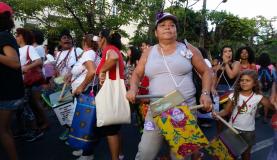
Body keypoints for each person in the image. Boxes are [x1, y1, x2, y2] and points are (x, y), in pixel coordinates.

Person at [126, 12, 212, 160]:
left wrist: (205, 93)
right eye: (163, 25)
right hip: (157, 107)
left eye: (172, 25)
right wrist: (133, 88)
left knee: (180, 155)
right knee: (145, 152)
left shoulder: (188, 48)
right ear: (156, 31)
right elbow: (137, 74)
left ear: (176, 31)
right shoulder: (148, 52)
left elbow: (206, 71)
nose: (168, 28)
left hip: (185, 107)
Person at [213, 70, 276, 160]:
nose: (244, 82)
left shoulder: (258, 97)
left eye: (247, 80)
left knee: (246, 155)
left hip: (248, 132)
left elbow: (272, 107)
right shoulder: (233, 95)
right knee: (229, 154)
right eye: (242, 80)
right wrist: (217, 114)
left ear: (254, 83)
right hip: (232, 129)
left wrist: (274, 97)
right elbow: (226, 111)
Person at [96, 29, 126, 160]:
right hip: (116, 93)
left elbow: (113, 58)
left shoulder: (108, 49)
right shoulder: (115, 49)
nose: (97, 41)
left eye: (98, 37)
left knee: (111, 131)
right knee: (115, 129)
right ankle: (119, 155)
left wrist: (102, 70)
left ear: (103, 39)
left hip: (110, 95)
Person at [0, 2, 25, 160]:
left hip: (7, 94)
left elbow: (15, 62)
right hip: (8, 92)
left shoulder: (3, 36)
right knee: (5, 129)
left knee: (2, 130)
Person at [71, 34, 101, 160]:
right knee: (84, 122)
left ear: (85, 43)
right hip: (88, 91)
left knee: (85, 122)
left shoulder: (88, 54)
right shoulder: (94, 54)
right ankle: (84, 149)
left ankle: (87, 153)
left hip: (85, 92)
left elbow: (92, 71)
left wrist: (81, 87)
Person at [15, 27, 47, 142]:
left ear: (23, 37)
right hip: (23, 82)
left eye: (18, 35)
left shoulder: (29, 48)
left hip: (29, 82)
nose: (16, 37)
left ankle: (35, 129)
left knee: (27, 106)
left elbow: (38, 61)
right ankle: (28, 129)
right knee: (24, 107)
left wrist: (25, 68)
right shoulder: (18, 49)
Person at [215, 45, 240, 133]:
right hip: (219, 93)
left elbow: (231, 75)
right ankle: (218, 137)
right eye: (225, 51)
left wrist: (226, 64)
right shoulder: (219, 64)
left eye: (229, 51)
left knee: (231, 115)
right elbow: (215, 78)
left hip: (230, 93)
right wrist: (212, 88)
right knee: (219, 118)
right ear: (222, 54)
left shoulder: (236, 63)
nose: (228, 53)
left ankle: (233, 137)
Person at [257, 53, 276, 123]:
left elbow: (257, 78)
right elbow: (275, 79)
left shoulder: (258, 67)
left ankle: (256, 114)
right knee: (266, 103)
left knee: (257, 102)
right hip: (269, 88)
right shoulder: (271, 68)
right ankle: (265, 117)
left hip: (260, 88)